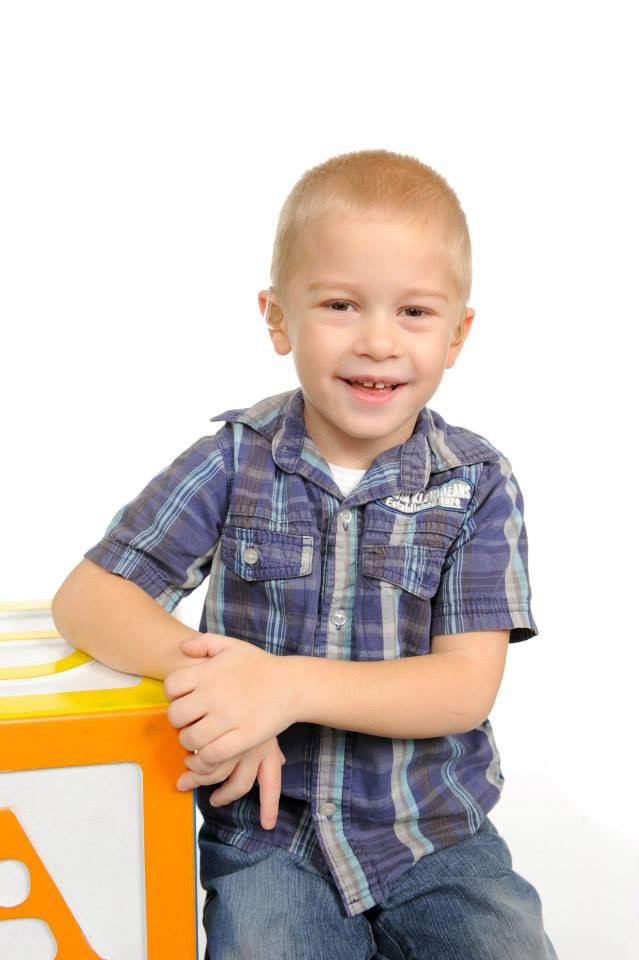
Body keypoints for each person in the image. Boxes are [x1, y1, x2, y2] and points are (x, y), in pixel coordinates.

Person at [52, 149, 559, 959]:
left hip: (436, 835)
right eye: (340, 305)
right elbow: (89, 599)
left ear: (457, 334)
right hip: (268, 836)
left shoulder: (474, 481)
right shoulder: (232, 460)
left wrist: (283, 687)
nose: (377, 341)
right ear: (277, 318)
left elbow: (463, 687)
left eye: (414, 312)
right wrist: (227, 687)